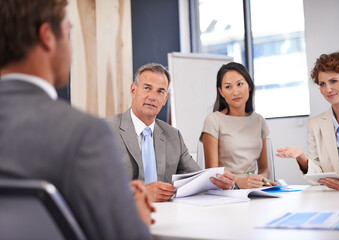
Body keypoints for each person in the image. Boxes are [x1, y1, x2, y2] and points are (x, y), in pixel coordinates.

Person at [0, 0, 153, 239]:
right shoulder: (84, 133)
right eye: (69, 31)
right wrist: (138, 219)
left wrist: (115, 198)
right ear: (47, 35)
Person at [106, 63, 237, 202]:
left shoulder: (173, 136)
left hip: (169, 215)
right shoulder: (105, 130)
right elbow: (90, 185)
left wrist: (219, 182)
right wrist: (139, 192)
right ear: (133, 90)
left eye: (160, 91)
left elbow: (197, 179)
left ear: (165, 99)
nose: (152, 97)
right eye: (147, 88)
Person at [276, 52, 339, 190]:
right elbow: (319, 176)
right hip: (332, 198)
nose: (328, 89)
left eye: (333, 81)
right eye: (322, 84)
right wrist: (300, 156)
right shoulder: (314, 124)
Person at [201, 62, 274, 189]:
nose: (235, 92)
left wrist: (262, 179)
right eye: (228, 87)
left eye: (240, 84)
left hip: (254, 189)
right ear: (221, 92)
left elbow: (265, 168)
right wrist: (239, 182)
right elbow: (212, 172)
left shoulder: (258, 120)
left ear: (249, 86)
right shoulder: (213, 120)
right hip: (226, 190)